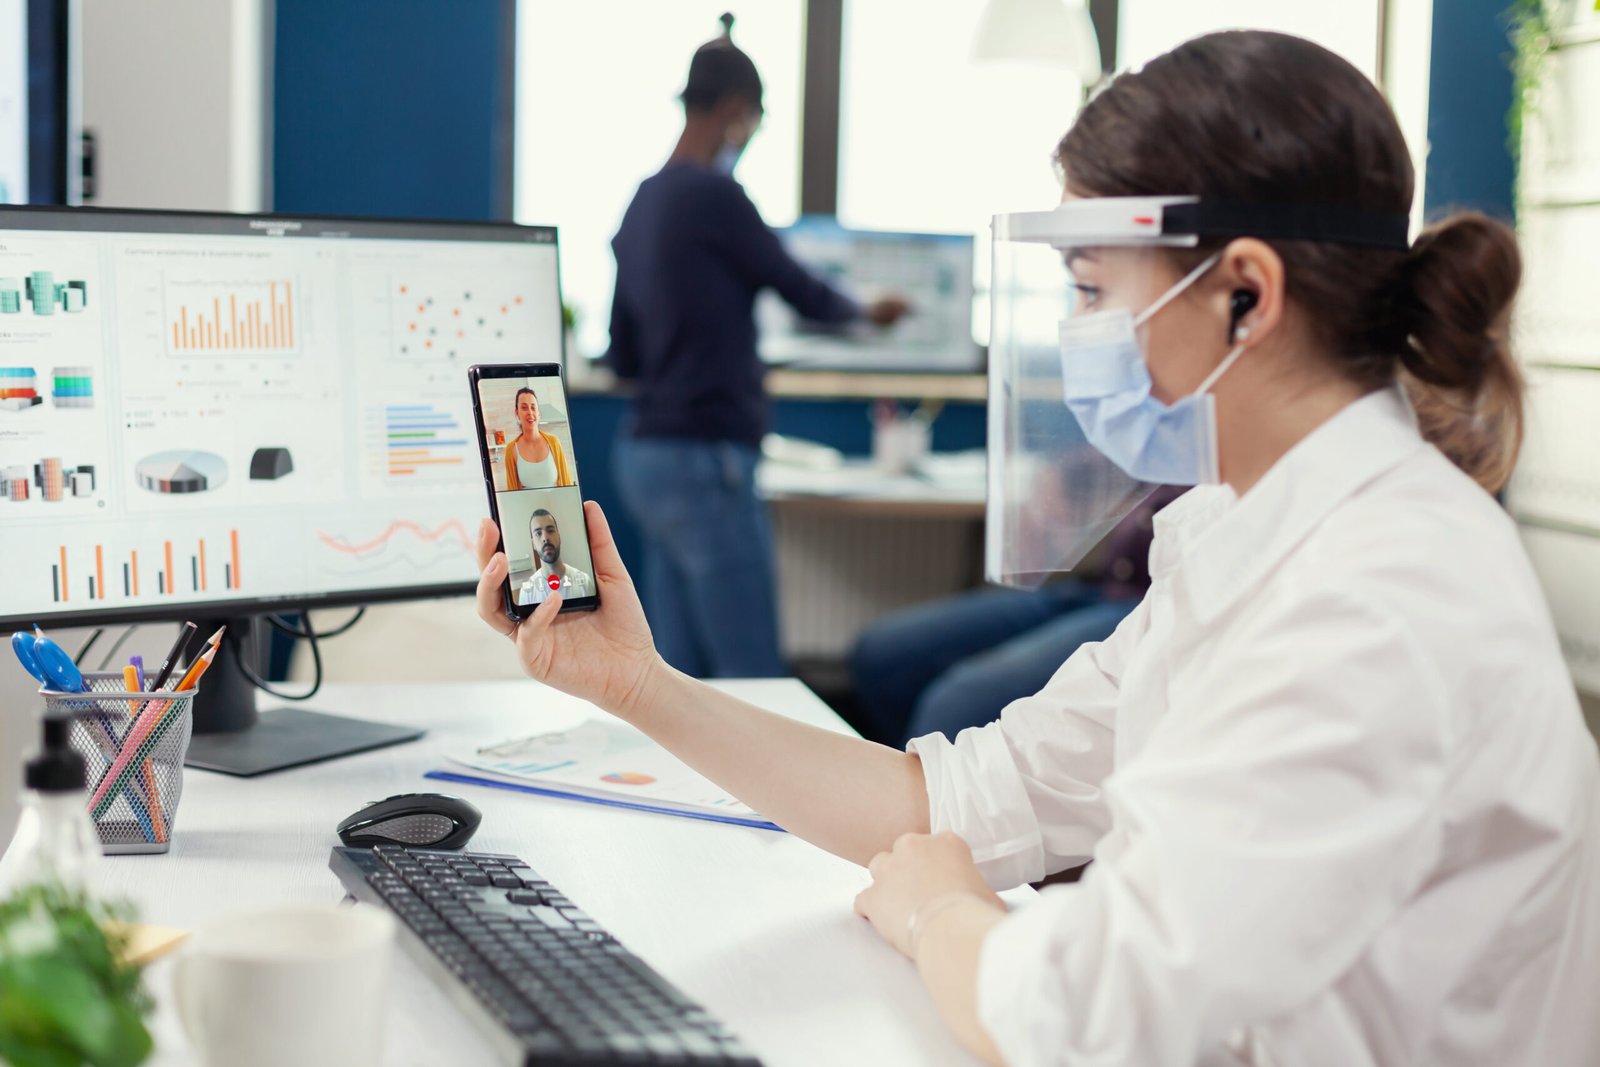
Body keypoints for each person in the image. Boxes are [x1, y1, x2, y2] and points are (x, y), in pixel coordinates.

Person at [476, 30, 1599, 1067]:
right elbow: (956, 799)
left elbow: (1085, 1013)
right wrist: (638, 685)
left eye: (1094, 288)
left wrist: (939, 911)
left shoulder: (1379, 594)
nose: (1079, 335)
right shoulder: (1246, 532)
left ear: (1245, 294)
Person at [604, 14, 907, 679]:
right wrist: (868, 312)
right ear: (738, 111)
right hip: (705, 460)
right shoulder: (717, 196)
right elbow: (801, 289)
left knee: (677, 678)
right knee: (753, 678)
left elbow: (621, 354)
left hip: (645, 457)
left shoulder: (642, 202)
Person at [850, 486, 1184, 747]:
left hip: (1156, 603)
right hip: (1103, 586)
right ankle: (910, 785)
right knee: (883, 653)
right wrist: (1059, 481)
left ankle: (925, 816)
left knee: (957, 704)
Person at [516, 508, 593, 606]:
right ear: (533, 544)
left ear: (559, 537)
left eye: (550, 530)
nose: (545, 538)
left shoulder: (584, 582)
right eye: (538, 533)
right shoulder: (527, 592)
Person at [503, 387, 574, 490]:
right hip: (528, 506)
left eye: (533, 407)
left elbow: (566, 481)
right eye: (524, 407)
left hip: (556, 504)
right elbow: (512, 490)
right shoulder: (511, 450)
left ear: (539, 413)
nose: (530, 412)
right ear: (517, 413)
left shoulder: (553, 442)